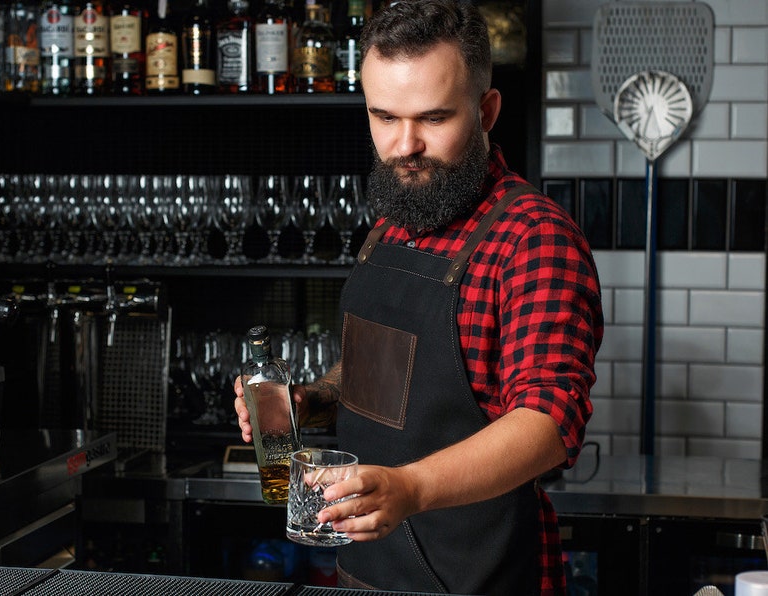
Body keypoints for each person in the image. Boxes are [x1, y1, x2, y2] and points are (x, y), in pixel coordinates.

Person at [234, 1, 603, 593]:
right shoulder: (395, 224)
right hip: (367, 573)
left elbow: (548, 421)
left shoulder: (533, 237)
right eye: (384, 117)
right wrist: (307, 401)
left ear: (487, 111)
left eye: (433, 118)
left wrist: (413, 489)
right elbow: (379, 382)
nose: (405, 146)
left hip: (483, 577)